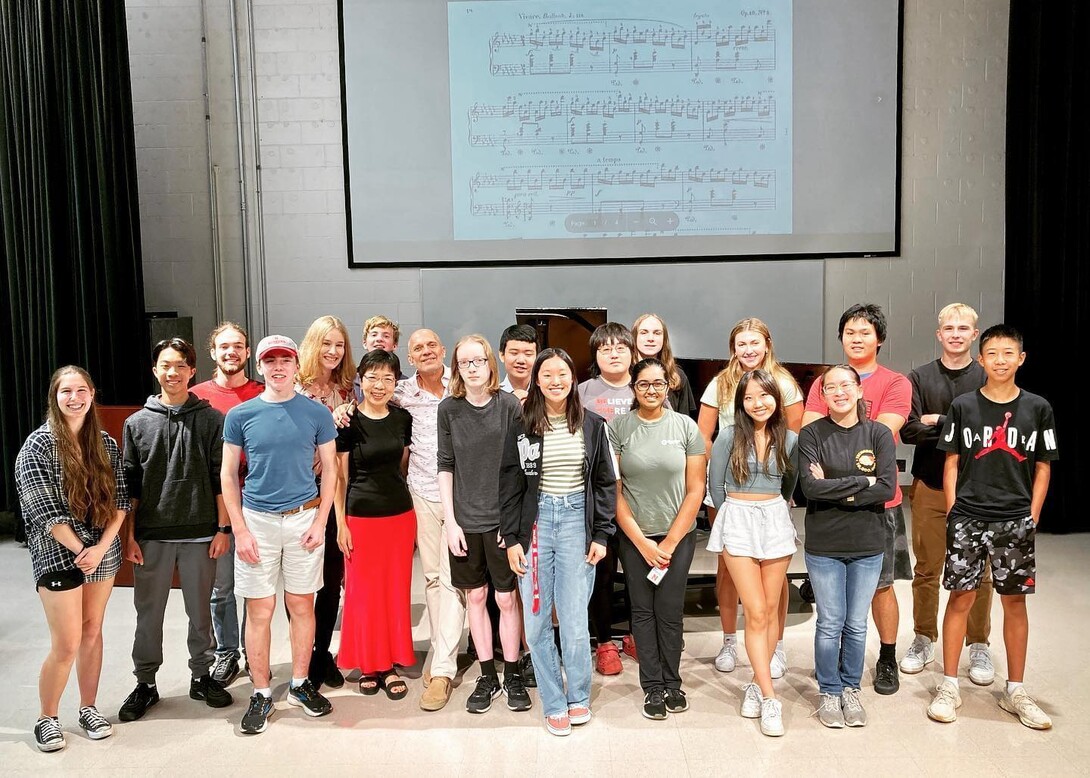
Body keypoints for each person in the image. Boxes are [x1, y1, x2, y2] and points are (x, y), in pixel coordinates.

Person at [926, 325, 1058, 730]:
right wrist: (953, 509)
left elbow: (1042, 465)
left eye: (1008, 353)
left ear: (1021, 358)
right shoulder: (963, 406)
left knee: (1014, 602)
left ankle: (1015, 689)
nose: (1000, 360)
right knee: (961, 596)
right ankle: (949, 684)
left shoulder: (1038, 408)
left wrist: (1032, 514)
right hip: (968, 516)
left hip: (1014, 518)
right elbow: (950, 461)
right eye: (993, 354)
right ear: (980, 360)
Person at [221, 335, 338, 734]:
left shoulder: (316, 413)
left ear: (295, 365)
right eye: (270, 361)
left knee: (302, 606)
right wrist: (239, 527)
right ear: (260, 367)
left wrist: (321, 521)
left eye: (285, 359)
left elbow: (331, 471)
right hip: (258, 522)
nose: (278, 367)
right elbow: (227, 474)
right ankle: (261, 692)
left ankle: (302, 684)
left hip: (304, 518)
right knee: (260, 610)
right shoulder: (241, 415)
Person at [501, 348, 617, 736]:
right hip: (534, 525)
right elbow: (510, 484)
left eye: (562, 374)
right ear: (536, 380)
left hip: (575, 521)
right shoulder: (522, 425)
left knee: (573, 620)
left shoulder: (593, 424)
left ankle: (578, 696)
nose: (555, 381)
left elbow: (604, 483)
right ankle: (554, 701)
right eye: (547, 374)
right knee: (535, 625)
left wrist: (601, 533)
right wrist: (513, 538)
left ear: (572, 379)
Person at [16, 366, 130, 752]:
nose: (75, 397)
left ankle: (88, 708)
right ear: (55, 395)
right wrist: (82, 550)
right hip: (59, 554)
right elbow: (44, 511)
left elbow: (120, 501)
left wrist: (99, 549)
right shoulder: (36, 447)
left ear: (92, 394)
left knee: (92, 631)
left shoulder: (106, 444)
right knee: (66, 642)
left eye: (81, 390)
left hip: (102, 552)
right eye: (66, 391)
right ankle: (46, 717)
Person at [118, 339, 233, 723]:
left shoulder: (212, 419)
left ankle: (201, 676)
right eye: (166, 365)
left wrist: (223, 529)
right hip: (152, 535)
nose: (173, 372)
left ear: (192, 371)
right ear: (155, 370)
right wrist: (130, 536)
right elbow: (130, 487)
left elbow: (222, 479)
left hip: (202, 533)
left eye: (180, 365)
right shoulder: (137, 423)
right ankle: (146, 683)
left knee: (201, 614)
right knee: (148, 615)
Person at [802, 303, 911, 695]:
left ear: (878, 338)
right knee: (834, 612)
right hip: (834, 511)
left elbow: (884, 432)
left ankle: (885, 657)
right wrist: (860, 481)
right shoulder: (825, 381)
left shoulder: (896, 382)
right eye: (850, 331)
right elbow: (810, 429)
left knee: (882, 586)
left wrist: (839, 477)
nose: (857, 338)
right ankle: (834, 667)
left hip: (882, 506)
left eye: (865, 332)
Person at [697, 318, 803, 678]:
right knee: (728, 569)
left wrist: (778, 496)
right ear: (733, 349)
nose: (748, 349)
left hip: (770, 491)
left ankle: (777, 646)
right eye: (741, 343)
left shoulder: (784, 383)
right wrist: (724, 499)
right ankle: (729, 639)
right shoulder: (720, 383)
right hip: (731, 493)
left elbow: (792, 440)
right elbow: (704, 436)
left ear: (767, 344)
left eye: (754, 342)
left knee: (774, 579)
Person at [799, 365, 897, 729]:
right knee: (830, 622)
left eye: (846, 385)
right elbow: (810, 488)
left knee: (856, 623)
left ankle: (850, 687)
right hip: (825, 543)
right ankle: (829, 690)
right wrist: (862, 482)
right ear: (822, 395)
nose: (838, 392)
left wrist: (839, 486)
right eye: (830, 387)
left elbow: (886, 489)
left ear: (859, 391)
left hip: (868, 543)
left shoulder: (879, 434)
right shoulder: (811, 434)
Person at [899, 304, 993, 683]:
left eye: (963, 328)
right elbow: (908, 431)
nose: (956, 334)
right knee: (927, 569)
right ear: (939, 334)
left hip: (980, 490)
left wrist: (941, 421)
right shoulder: (919, 377)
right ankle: (923, 637)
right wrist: (962, 427)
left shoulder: (988, 375)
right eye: (949, 328)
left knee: (980, 573)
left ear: (974, 334)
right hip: (931, 486)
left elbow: (988, 433)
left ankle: (979, 644)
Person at [437, 334, 530, 714]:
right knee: (475, 597)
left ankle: (513, 673)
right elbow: (446, 466)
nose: (473, 368)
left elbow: (524, 468)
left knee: (506, 598)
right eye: (465, 363)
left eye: (478, 361)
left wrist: (513, 524)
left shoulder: (510, 406)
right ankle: (488, 674)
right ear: (457, 369)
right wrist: (451, 522)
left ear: (491, 363)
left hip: (501, 521)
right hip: (465, 522)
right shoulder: (449, 409)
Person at [609, 358, 706, 720]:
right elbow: (614, 491)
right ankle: (651, 686)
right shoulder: (618, 428)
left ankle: (672, 682)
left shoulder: (685, 427)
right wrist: (642, 542)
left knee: (668, 610)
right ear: (633, 388)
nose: (652, 390)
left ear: (670, 386)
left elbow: (695, 489)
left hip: (677, 536)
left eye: (658, 384)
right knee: (641, 611)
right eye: (644, 384)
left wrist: (667, 544)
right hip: (634, 537)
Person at [706, 369, 798, 737]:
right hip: (738, 519)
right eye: (749, 398)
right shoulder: (729, 436)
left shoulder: (789, 439)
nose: (757, 403)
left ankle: (756, 685)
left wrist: (773, 507)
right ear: (740, 403)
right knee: (756, 610)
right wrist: (733, 516)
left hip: (774, 516)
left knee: (771, 609)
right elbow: (715, 484)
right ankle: (770, 697)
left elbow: (790, 484)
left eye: (764, 395)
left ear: (775, 398)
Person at [334, 350, 416, 700]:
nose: (379, 385)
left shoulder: (402, 419)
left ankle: (391, 663)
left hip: (399, 515)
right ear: (360, 380)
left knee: (395, 593)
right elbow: (339, 477)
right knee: (363, 594)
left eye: (387, 378)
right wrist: (341, 523)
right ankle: (369, 663)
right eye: (372, 377)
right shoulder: (346, 422)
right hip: (360, 517)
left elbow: (403, 467)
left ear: (396, 382)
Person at [391, 329, 465, 711]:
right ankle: (441, 658)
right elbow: (367, 402)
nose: (426, 351)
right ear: (410, 356)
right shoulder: (402, 392)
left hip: (464, 497)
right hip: (422, 492)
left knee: (459, 580)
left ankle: (447, 663)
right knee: (434, 578)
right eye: (418, 348)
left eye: (431, 345)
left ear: (443, 350)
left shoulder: (463, 381)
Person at [191, 322, 263, 686]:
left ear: (248, 353)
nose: (231, 352)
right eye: (224, 346)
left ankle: (255, 651)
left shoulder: (264, 393)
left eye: (238, 346)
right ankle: (226, 653)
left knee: (253, 586)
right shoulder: (196, 396)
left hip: (257, 505)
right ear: (213, 353)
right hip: (216, 508)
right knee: (221, 587)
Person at [295, 315, 355, 689]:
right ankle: (302, 654)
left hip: (332, 494)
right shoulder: (294, 389)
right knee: (302, 583)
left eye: (339, 345)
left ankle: (321, 653)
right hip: (298, 493)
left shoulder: (346, 391)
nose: (333, 352)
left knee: (331, 579)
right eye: (326, 344)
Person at [577, 322, 637, 675]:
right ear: (595, 355)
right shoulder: (582, 392)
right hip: (597, 500)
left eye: (619, 347)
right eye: (605, 348)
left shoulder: (645, 387)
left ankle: (635, 634)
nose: (613, 353)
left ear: (631, 352)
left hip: (639, 498)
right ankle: (603, 643)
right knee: (600, 573)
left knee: (638, 574)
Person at [632, 313, 696, 417]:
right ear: (634, 337)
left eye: (657, 333)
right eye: (644, 332)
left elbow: (685, 420)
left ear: (664, 339)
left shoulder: (677, 376)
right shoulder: (624, 374)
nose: (650, 338)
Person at [498, 324, 538, 400]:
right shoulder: (492, 397)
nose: (521, 360)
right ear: (502, 355)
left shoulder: (545, 394)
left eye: (528, 354)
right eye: (514, 353)